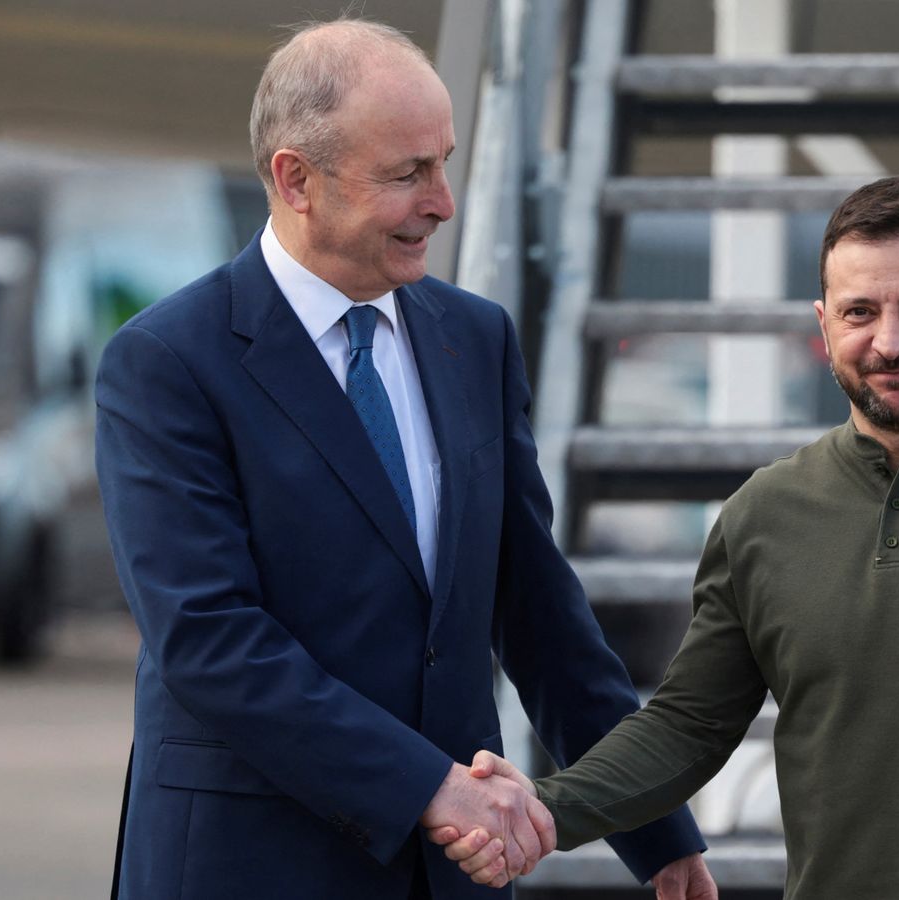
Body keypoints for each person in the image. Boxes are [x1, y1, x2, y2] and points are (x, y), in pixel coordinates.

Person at [435, 176, 899, 898]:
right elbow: (688, 727)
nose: (889, 341)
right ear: (824, 323)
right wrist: (544, 808)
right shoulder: (764, 516)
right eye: (860, 311)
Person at [94, 18, 712, 899]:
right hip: (246, 863)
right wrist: (430, 786)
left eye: (446, 162)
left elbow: (538, 609)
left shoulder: (475, 337)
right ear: (295, 179)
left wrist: (658, 830)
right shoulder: (166, 362)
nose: (444, 202)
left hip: (444, 876)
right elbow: (210, 640)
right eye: (407, 173)